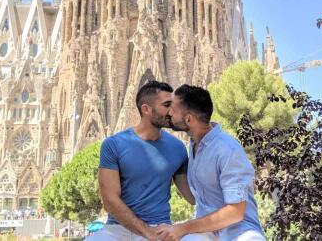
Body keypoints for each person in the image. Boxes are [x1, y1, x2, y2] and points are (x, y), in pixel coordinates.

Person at [86, 81, 212, 241]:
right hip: (117, 229)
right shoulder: (113, 144)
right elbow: (110, 201)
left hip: (158, 227)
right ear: (146, 109)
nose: (172, 111)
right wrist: (146, 232)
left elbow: (193, 197)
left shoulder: (178, 148)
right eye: (166, 105)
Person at [157, 85, 266, 241]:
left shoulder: (227, 149)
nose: (169, 113)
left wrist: (183, 227)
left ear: (189, 119)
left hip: (240, 232)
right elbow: (195, 199)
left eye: (173, 110)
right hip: (207, 231)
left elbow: (235, 212)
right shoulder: (194, 144)